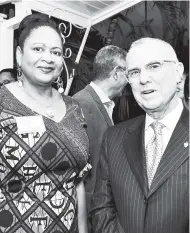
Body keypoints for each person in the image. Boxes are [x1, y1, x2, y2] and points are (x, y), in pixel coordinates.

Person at [0, 13, 91, 233]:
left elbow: (77, 180)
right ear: (19, 55)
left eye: (56, 52)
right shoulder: (2, 102)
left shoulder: (73, 108)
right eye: (38, 49)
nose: (48, 58)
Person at [90, 37, 189, 233]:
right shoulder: (113, 138)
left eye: (154, 66)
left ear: (178, 72)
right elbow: (101, 209)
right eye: (134, 72)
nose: (143, 79)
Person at [73, 45, 128, 210]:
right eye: (129, 73)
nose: (131, 81)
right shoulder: (80, 105)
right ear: (117, 73)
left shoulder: (107, 105)